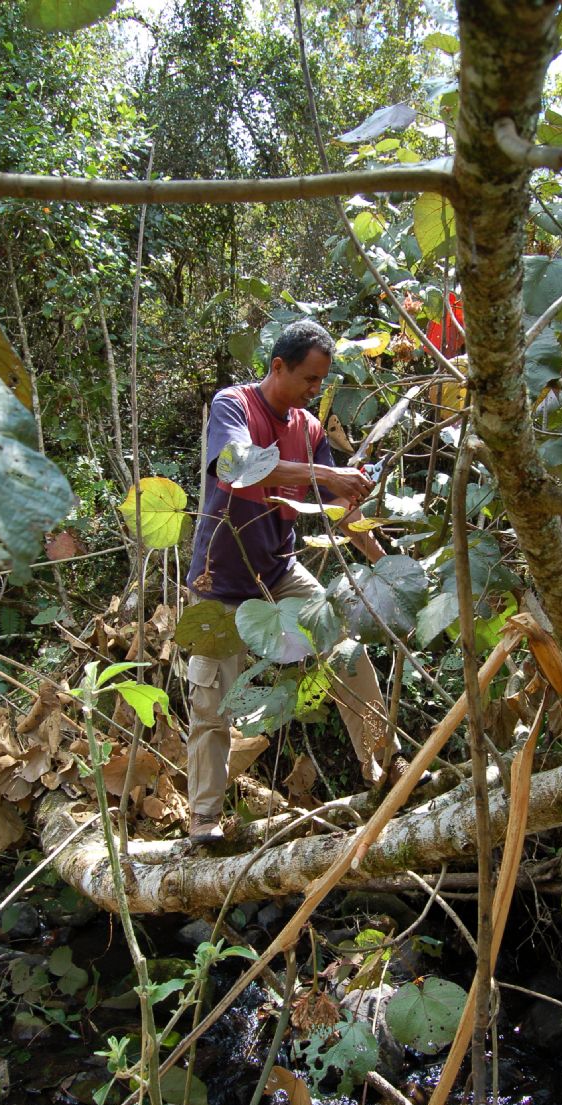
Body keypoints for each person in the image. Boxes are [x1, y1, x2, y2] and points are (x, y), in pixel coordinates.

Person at [184, 318, 417, 843]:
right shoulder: (233, 405)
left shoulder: (309, 429)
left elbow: (337, 509)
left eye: (321, 382)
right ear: (278, 367)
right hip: (217, 583)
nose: (316, 392)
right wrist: (327, 475)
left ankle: (383, 765)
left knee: (344, 648)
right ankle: (203, 820)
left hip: (280, 572)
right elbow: (236, 466)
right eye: (310, 380)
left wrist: (380, 562)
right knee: (210, 700)